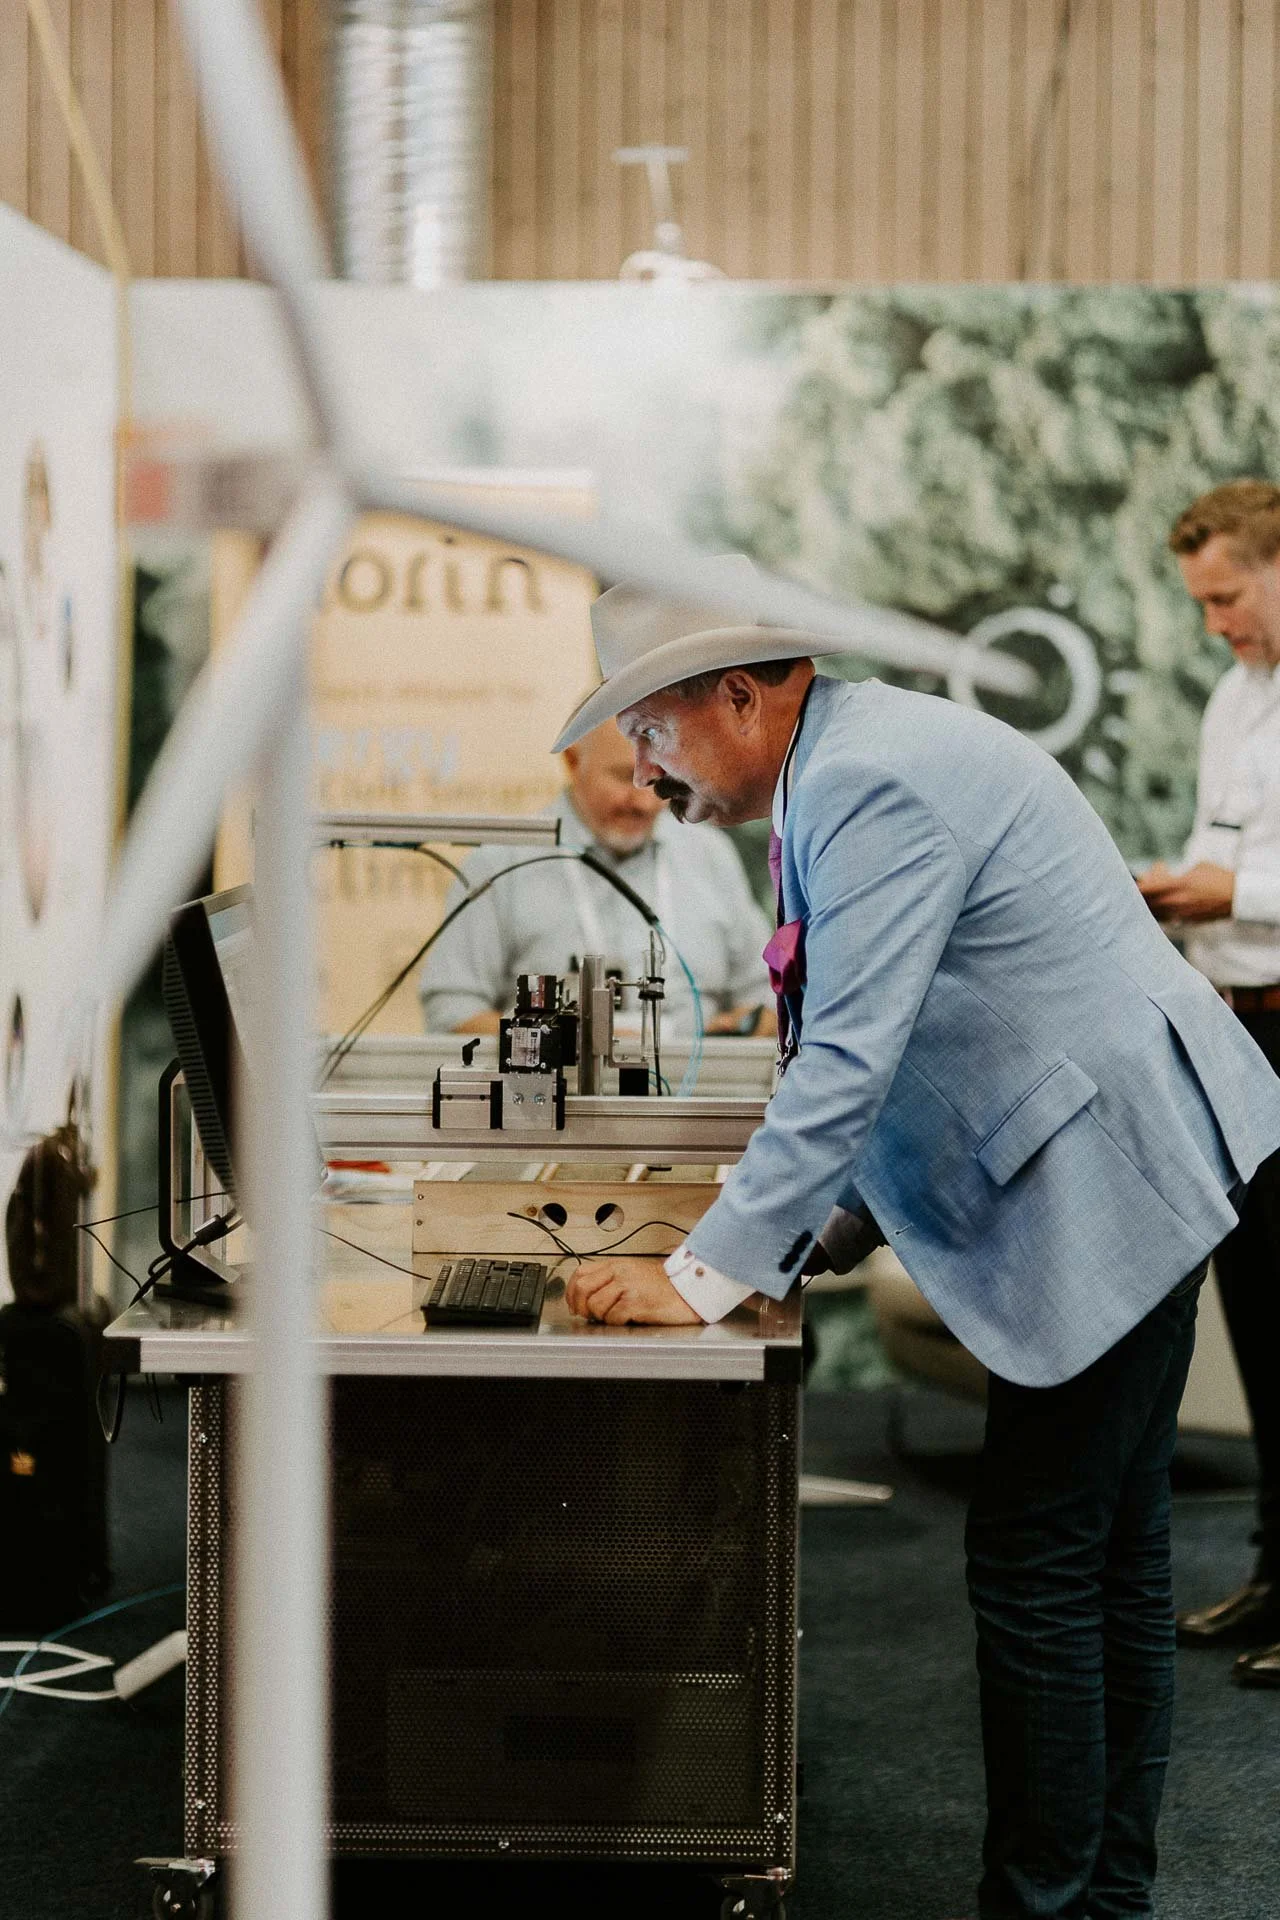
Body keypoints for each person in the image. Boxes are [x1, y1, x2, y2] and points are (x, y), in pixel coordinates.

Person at [557, 552, 1280, 1920]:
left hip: (1109, 1180)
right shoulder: (843, 767)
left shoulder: (865, 782)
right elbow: (897, 1065)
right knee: (1107, 1567)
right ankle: (1099, 1901)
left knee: (1041, 1572)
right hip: (1128, 1155)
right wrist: (784, 1243)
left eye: (652, 726)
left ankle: (1052, 1905)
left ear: (739, 697)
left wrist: (701, 1279)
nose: (644, 764)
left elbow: (847, 1064)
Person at [1138, 480, 1280, 1688]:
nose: (1212, 623)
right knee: (1262, 1314)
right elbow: (1215, 851)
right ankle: (1278, 1570)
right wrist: (1178, 887)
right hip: (1237, 1029)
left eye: (1225, 596)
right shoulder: (1233, 700)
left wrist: (1220, 894)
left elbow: (1242, 880)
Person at [419, 716, 773, 1039]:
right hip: (555, 1096)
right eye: (625, 777)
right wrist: (575, 1043)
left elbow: (767, 994)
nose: (645, 803)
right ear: (573, 763)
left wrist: (742, 1027)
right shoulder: (501, 863)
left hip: (700, 1094)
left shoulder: (709, 855)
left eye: (660, 780)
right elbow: (451, 1011)